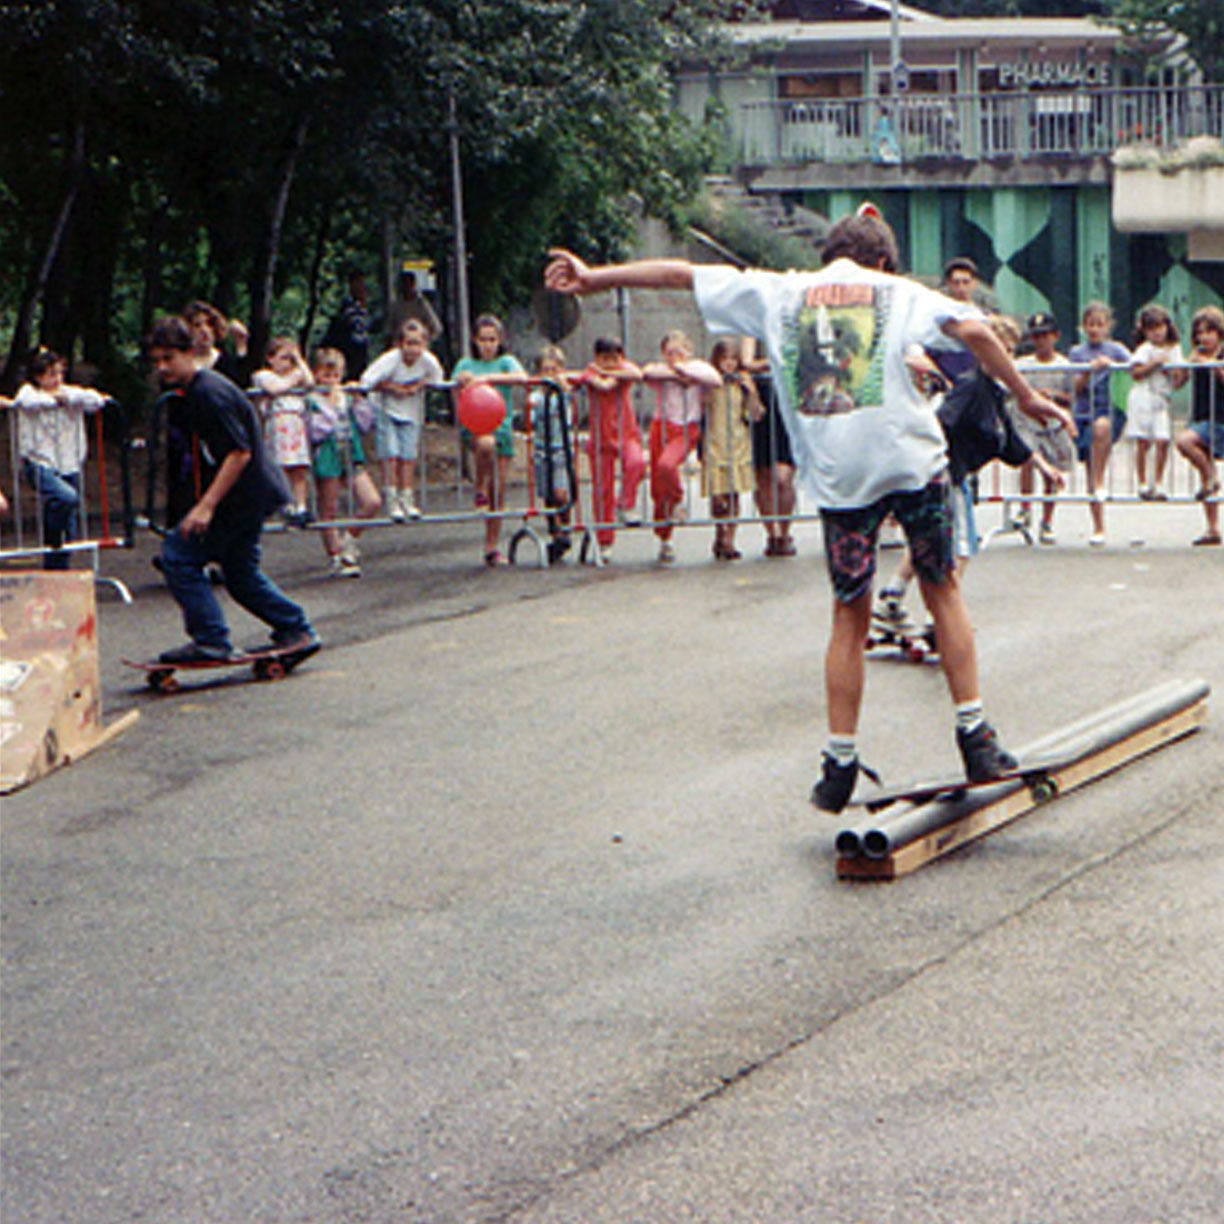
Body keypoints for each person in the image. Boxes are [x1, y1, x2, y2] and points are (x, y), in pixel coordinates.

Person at [545, 209, 1071, 812]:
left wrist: (593, 278)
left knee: (850, 615)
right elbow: (978, 334)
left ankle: (838, 763)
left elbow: (680, 275)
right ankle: (976, 736)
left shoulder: (780, 290)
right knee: (942, 589)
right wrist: (1025, 394)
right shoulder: (898, 291)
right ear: (881, 260)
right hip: (909, 463)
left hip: (840, 477)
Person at [145, 316, 318, 664]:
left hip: (246, 493)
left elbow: (239, 452)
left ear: (190, 352)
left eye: (169, 359)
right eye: (156, 361)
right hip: (250, 492)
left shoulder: (210, 393)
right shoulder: (194, 391)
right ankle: (295, 628)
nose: (162, 367)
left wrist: (206, 506)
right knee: (239, 573)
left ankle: (211, 639)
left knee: (177, 555)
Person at [14, 348, 106, 569]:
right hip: (39, 461)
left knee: (69, 526)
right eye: (50, 374)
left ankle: (57, 571)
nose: (57, 379)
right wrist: (56, 400)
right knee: (66, 497)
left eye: (59, 373)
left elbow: (95, 400)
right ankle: (53, 542)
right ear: (38, 376)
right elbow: (28, 402)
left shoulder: (70, 393)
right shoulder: (28, 392)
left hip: (68, 462)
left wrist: (68, 397)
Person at [641, 330, 722, 565]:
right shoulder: (663, 372)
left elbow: (714, 378)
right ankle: (664, 538)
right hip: (662, 426)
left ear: (689, 351)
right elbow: (646, 372)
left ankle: (678, 498)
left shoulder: (697, 368)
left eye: (679, 352)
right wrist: (674, 373)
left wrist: (685, 371)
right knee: (658, 486)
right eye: (669, 352)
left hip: (686, 428)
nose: (674, 356)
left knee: (667, 465)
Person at [452, 314, 527, 566]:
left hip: (501, 426)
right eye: (483, 339)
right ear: (475, 340)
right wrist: (461, 383)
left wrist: (489, 379)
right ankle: (479, 487)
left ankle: (491, 546)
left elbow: (522, 378)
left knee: (500, 490)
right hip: (475, 427)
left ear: (500, 340)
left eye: (492, 339)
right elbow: (455, 386)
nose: (487, 344)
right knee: (486, 445)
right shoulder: (466, 363)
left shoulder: (506, 362)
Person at [306, 347, 381, 577]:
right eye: (325, 375)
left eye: (335, 375)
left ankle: (349, 540)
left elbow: (366, 423)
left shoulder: (347, 399)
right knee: (329, 509)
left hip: (350, 453)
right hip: (327, 456)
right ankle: (335, 556)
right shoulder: (311, 400)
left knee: (371, 501)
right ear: (316, 374)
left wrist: (359, 400)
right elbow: (317, 431)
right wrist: (331, 405)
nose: (330, 381)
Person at [361, 318, 444, 521]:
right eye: (409, 343)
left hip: (411, 412)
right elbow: (367, 380)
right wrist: (390, 387)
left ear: (425, 345)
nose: (413, 349)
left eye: (418, 344)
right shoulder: (390, 360)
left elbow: (438, 379)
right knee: (391, 454)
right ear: (400, 344)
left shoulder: (428, 361)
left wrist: (419, 384)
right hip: (386, 409)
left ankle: (407, 498)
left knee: (408, 456)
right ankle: (392, 499)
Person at [572, 336, 645, 563]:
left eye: (615, 358)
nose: (611, 363)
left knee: (637, 463)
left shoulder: (622, 374)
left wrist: (612, 372)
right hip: (601, 440)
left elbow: (636, 373)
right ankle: (605, 542)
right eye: (605, 359)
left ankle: (625, 503)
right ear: (596, 358)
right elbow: (598, 383)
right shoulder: (590, 373)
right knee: (602, 492)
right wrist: (598, 374)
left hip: (626, 434)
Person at [1069, 301, 1130, 547]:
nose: (1095, 329)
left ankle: (1100, 480)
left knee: (1102, 428)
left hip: (1109, 409)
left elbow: (1134, 367)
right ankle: (1098, 526)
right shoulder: (1077, 352)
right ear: (1083, 327)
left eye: (1099, 324)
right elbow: (1073, 387)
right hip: (1083, 412)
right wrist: (1088, 371)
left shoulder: (1116, 349)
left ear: (1108, 327)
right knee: (1089, 468)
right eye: (1090, 324)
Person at [1014, 311, 1075, 544]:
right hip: (1028, 422)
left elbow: (1072, 397)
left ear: (1056, 336)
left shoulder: (1064, 365)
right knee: (1028, 459)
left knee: (1051, 473)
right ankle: (1025, 507)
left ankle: (1047, 520)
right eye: (1037, 336)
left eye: (1046, 335)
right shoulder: (1023, 365)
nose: (1041, 340)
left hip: (1053, 424)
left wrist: (1054, 397)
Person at [703, 337, 761, 561]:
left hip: (737, 441)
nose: (728, 363)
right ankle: (719, 532)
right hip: (715, 442)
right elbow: (702, 404)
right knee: (718, 495)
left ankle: (730, 538)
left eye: (733, 359)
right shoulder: (711, 381)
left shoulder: (742, 382)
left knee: (734, 494)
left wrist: (751, 391)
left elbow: (755, 413)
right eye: (723, 358)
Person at [742, 338, 798, 557]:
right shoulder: (751, 332)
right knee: (763, 474)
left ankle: (785, 531)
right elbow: (747, 362)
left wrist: (766, 363)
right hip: (761, 400)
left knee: (783, 477)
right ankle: (772, 533)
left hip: (787, 400)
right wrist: (773, 361)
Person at [1126, 304, 1187, 501]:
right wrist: (1154, 363)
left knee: (1163, 440)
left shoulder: (1174, 349)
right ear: (1144, 331)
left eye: (1160, 327)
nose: (1157, 332)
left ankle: (1158, 482)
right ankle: (1143, 482)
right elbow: (1135, 372)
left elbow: (1178, 380)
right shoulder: (1145, 349)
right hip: (1144, 395)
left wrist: (1179, 373)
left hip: (1162, 398)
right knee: (1143, 441)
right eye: (1152, 329)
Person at [1175, 304, 1224, 547]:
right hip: (1203, 418)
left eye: (1209, 331)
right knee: (1200, 460)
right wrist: (1187, 365)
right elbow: (1177, 383)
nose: (1204, 337)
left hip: (1221, 419)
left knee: (1184, 441)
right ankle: (1213, 528)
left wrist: (1211, 364)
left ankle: (1211, 478)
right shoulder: (1197, 355)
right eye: (1199, 333)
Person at [252, 336, 314, 525]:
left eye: (290, 358)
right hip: (279, 423)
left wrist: (300, 361)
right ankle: (286, 506)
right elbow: (275, 388)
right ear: (271, 358)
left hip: (296, 423)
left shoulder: (296, 374)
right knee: (283, 466)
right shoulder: (263, 375)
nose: (288, 363)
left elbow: (310, 382)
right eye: (283, 357)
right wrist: (294, 377)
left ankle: (301, 506)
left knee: (299, 468)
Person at [527, 344, 577, 564]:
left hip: (561, 448)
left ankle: (566, 527)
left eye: (554, 369)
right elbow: (530, 420)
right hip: (541, 448)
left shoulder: (564, 393)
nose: (550, 375)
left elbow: (572, 409)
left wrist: (565, 388)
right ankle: (554, 532)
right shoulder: (536, 397)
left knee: (561, 492)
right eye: (545, 370)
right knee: (547, 494)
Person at [323, 269, 371, 382]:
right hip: (348, 351)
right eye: (358, 283)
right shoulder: (347, 308)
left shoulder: (365, 308)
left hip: (361, 353)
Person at [385, 268, 442, 346]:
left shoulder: (421, 304)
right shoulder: (396, 305)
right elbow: (389, 329)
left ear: (413, 285)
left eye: (408, 284)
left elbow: (436, 327)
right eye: (404, 284)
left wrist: (425, 340)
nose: (406, 287)